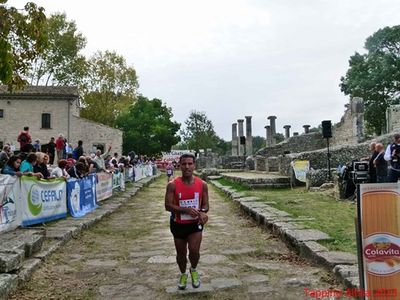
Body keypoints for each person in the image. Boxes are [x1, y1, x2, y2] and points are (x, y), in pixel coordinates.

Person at [164, 153, 209, 290]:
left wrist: (202, 212)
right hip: (178, 225)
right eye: (184, 164)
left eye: (190, 163)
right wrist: (185, 210)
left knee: (194, 251)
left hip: (195, 225)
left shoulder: (202, 184)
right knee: (181, 254)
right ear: (179, 166)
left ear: (194, 165)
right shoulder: (172, 185)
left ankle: (193, 270)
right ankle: (183, 273)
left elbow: (206, 205)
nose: (187, 167)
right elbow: (167, 206)